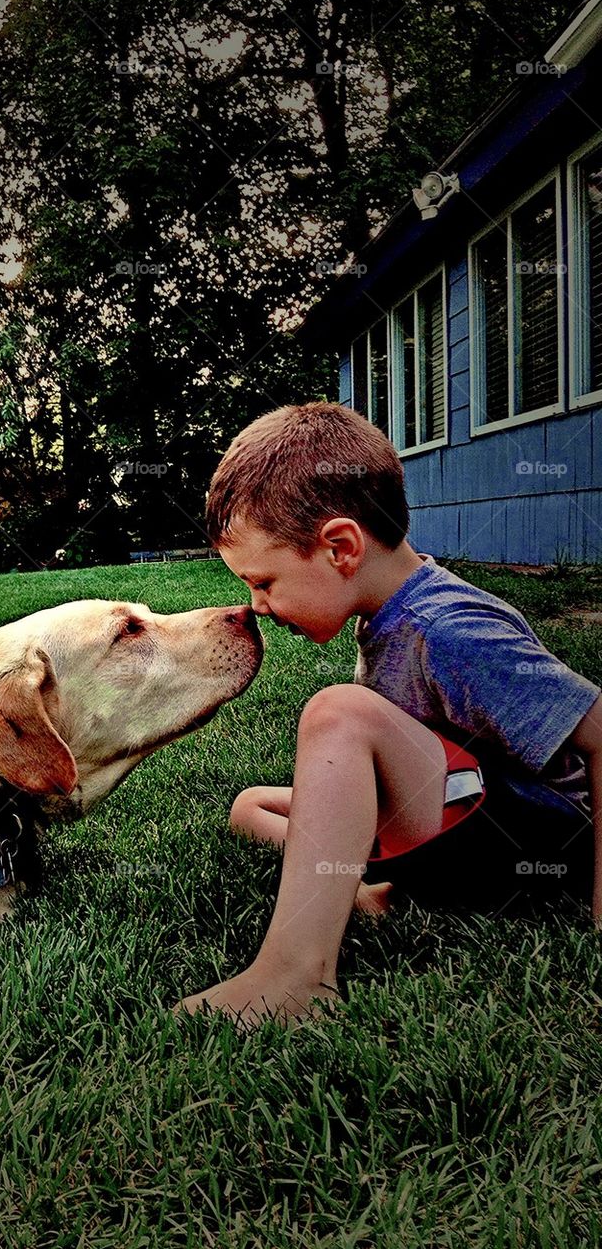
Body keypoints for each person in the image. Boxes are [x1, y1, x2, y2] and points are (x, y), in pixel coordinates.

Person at [174, 402, 602, 1028]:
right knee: (251, 806)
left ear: (341, 548)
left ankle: (294, 976)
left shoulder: (451, 629)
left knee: (340, 712)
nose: (257, 606)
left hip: (537, 843)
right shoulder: (388, 611)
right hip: (464, 818)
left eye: (264, 582)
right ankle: (376, 893)